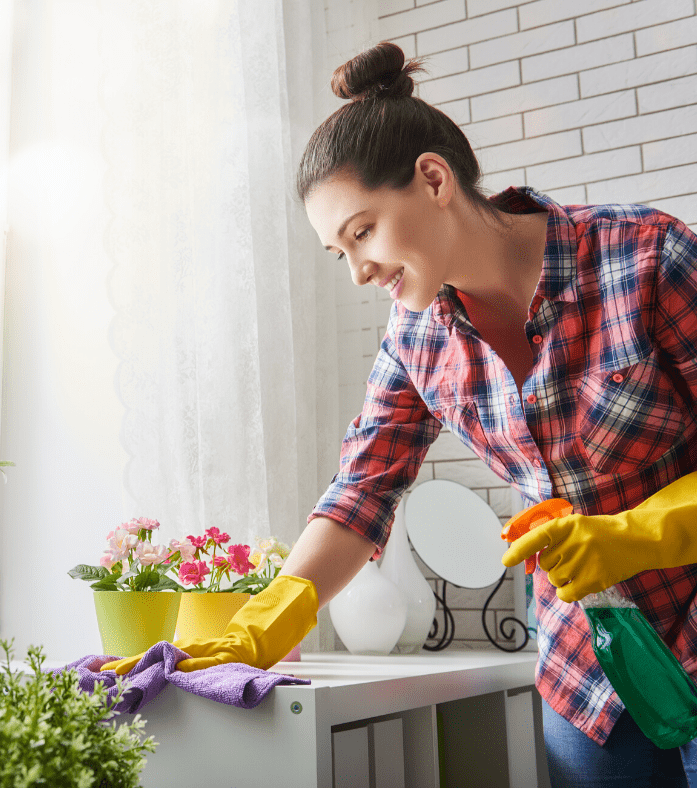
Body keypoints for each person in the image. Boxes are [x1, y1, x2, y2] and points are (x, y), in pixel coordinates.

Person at [104, 40, 697, 786]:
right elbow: (363, 489)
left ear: (433, 178)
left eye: (363, 232)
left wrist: (633, 534)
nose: (358, 270)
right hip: (590, 677)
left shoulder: (643, 258)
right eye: (337, 252)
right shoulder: (415, 337)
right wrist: (267, 619)